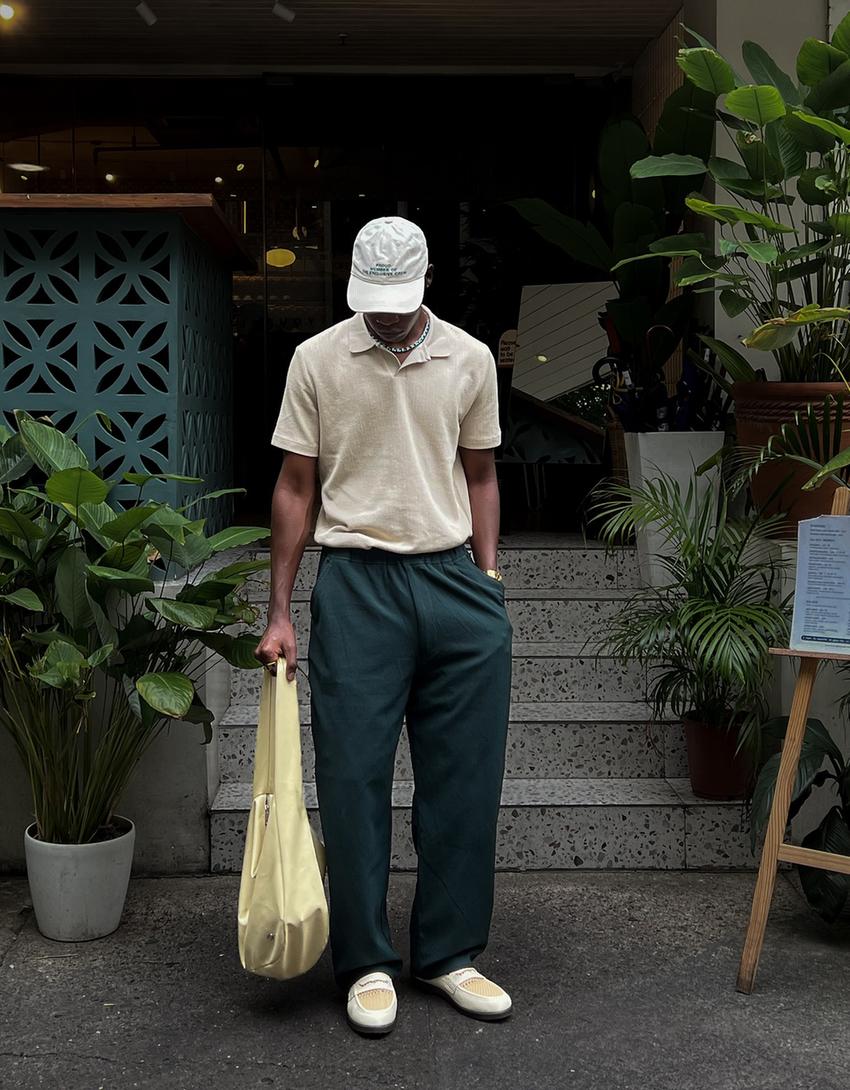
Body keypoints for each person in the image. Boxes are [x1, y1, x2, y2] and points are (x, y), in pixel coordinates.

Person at [255, 215, 513, 1036]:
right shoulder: (318, 359)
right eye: (375, 301)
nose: (390, 316)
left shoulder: (470, 358)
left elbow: (480, 471)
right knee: (353, 780)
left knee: (464, 784)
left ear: (428, 279)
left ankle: (448, 953)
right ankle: (366, 961)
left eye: (402, 300)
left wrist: (489, 578)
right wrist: (279, 612)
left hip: (453, 583)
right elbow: (296, 486)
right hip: (357, 583)